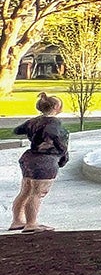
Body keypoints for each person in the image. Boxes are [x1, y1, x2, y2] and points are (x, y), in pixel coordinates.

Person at [11, 93, 69, 233]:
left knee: (25, 191)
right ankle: (31, 223)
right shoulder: (54, 124)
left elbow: (17, 130)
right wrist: (64, 154)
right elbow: (56, 137)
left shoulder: (34, 121)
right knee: (38, 193)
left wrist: (34, 134)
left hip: (29, 158)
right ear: (56, 107)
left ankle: (17, 220)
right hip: (45, 161)